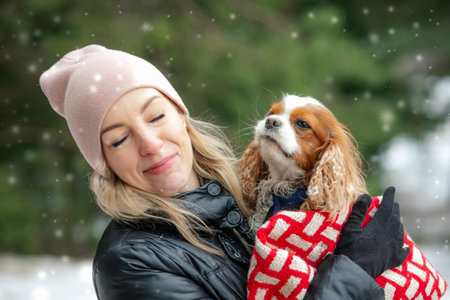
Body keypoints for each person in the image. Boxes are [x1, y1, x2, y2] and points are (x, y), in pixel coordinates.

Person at [39, 44, 408, 300]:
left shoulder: (250, 198)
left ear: (180, 114)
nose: (150, 144)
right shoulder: (130, 262)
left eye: (156, 116)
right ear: (105, 163)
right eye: (119, 140)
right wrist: (354, 273)